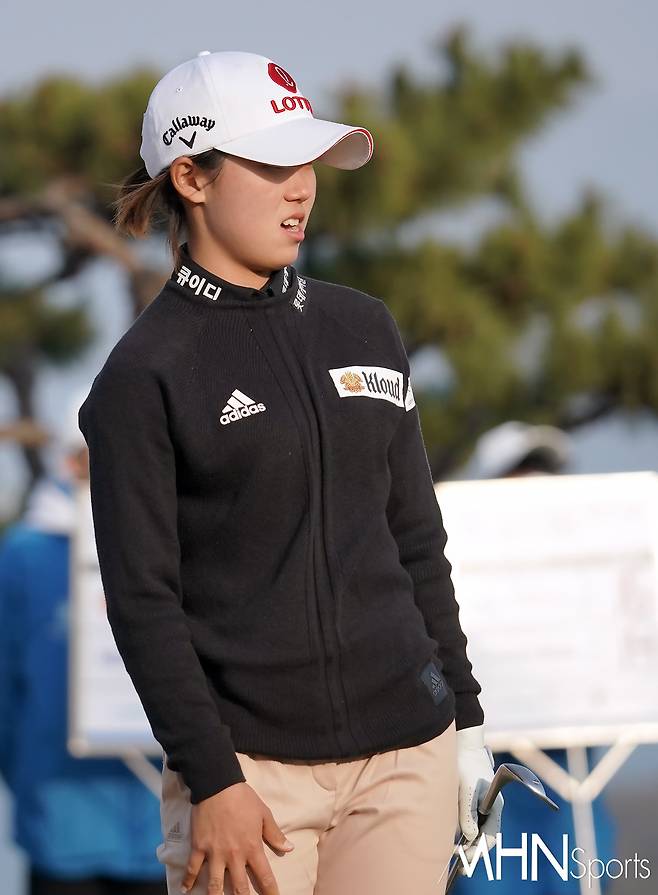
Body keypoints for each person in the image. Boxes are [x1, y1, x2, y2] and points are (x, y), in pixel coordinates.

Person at [77, 50, 503, 895]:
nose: (302, 187)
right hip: (248, 782)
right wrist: (213, 778)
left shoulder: (364, 326)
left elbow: (416, 540)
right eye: (273, 165)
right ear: (191, 177)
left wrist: (466, 721)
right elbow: (143, 602)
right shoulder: (142, 376)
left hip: (407, 757)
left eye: (307, 161)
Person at [0, 389, 167, 895]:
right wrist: (26, 780)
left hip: (163, 824)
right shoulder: (26, 556)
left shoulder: (177, 550)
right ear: (69, 459)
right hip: (60, 820)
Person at [450, 420, 618, 893]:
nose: (538, 484)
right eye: (521, 470)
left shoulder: (590, 565)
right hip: (490, 767)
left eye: (546, 472)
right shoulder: (456, 566)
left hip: (572, 765)